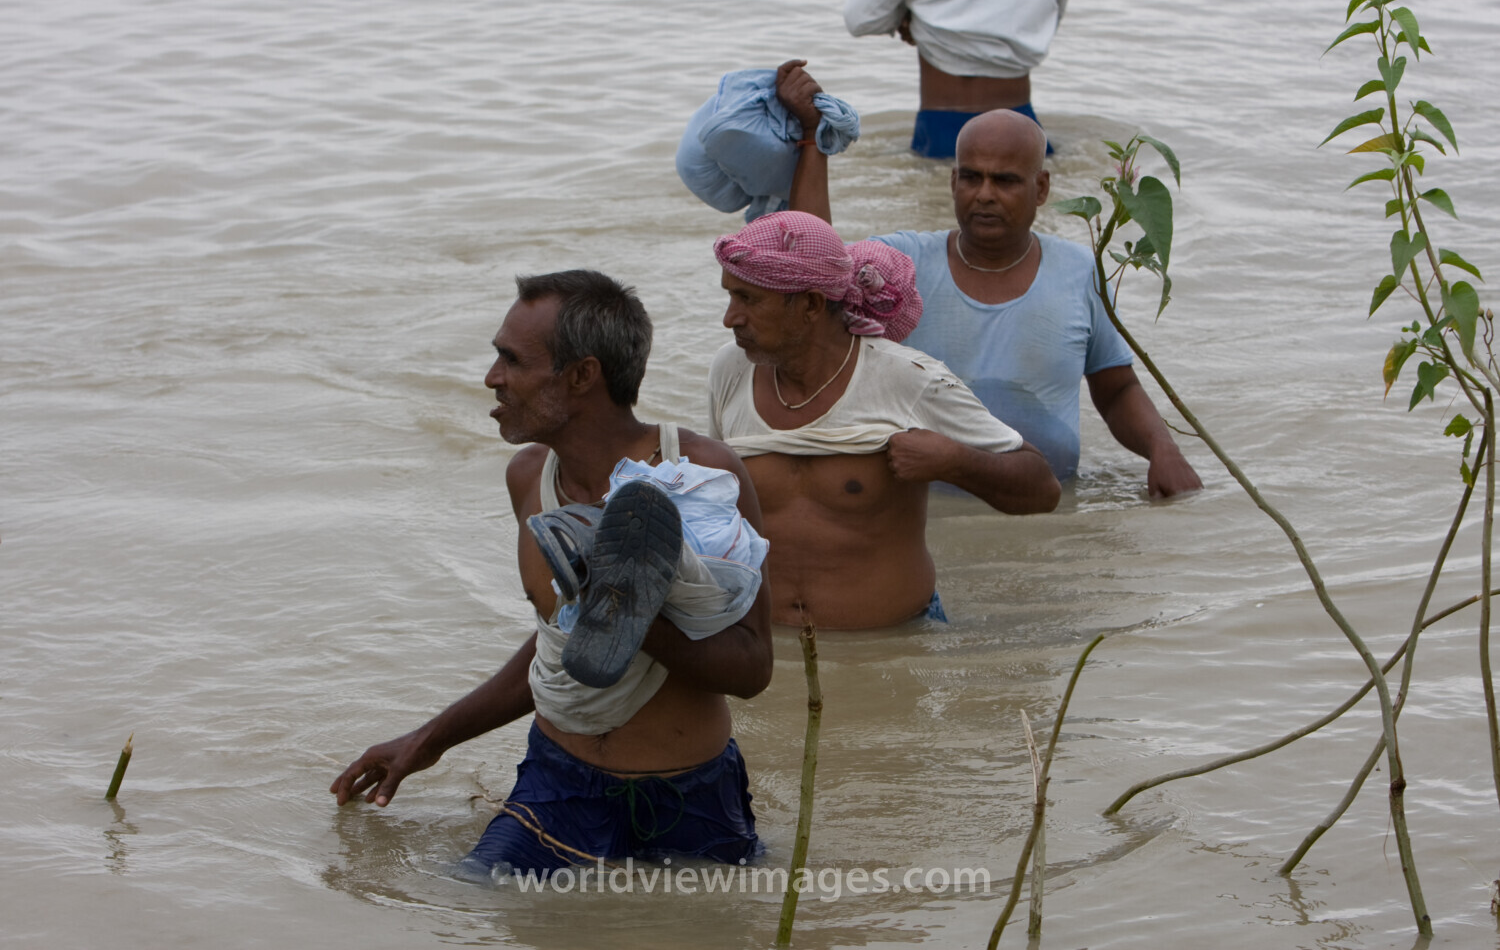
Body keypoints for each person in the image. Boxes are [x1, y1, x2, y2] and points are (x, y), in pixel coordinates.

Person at [331, 270, 774, 878]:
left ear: (583, 376)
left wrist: (625, 613)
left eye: (510, 360)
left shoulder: (700, 476)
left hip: (689, 795)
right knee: (466, 896)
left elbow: (752, 669)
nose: (492, 379)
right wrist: (430, 739)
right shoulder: (528, 477)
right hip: (557, 783)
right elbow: (556, 640)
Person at [777, 63, 1202, 498]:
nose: (984, 194)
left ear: (1041, 188)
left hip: (1044, 505)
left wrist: (1162, 449)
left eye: (1005, 180)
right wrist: (812, 140)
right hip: (920, 509)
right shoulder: (901, 266)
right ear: (952, 181)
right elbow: (811, 261)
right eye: (971, 177)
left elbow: (1115, 391)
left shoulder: (1079, 271)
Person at [710, 210, 1060, 630]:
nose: (730, 318)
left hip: (893, 650)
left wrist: (953, 461)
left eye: (748, 299)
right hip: (767, 653)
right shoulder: (731, 371)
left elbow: (1043, 489)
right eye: (731, 296)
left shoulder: (909, 379)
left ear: (810, 305)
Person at [843, 0, 1075, 158]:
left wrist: (908, 19)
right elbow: (1050, 21)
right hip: (1022, 128)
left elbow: (860, 17)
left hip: (940, 129)